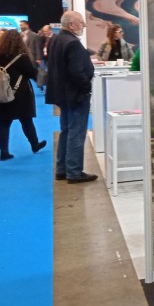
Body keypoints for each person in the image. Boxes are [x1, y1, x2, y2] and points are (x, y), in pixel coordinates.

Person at [46, 11, 97, 183]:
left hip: (62, 94)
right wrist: (86, 86)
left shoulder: (56, 39)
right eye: (81, 22)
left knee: (66, 131)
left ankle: (62, 169)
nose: (83, 25)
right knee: (76, 132)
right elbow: (77, 71)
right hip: (75, 95)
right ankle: (74, 171)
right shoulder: (73, 43)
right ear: (71, 24)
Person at [0, 29, 47, 160]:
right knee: (26, 120)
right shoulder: (21, 56)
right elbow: (31, 73)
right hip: (19, 94)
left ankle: (4, 152)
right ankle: (35, 144)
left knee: (3, 122)